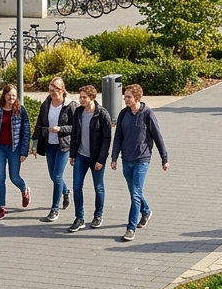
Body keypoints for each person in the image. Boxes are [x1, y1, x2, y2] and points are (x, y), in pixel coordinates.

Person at [110, 84, 168, 242]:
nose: (125, 99)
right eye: (125, 97)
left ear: (137, 97)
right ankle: (146, 211)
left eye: (128, 97)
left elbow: (157, 136)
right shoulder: (123, 114)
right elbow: (118, 137)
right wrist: (114, 157)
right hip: (126, 159)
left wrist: (165, 158)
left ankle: (130, 228)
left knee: (135, 193)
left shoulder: (147, 114)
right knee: (134, 192)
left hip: (142, 159)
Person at [0, 84, 31, 221]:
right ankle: (2, 208)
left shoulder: (21, 111)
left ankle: (24, 189)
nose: (11, 98)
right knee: (0, 177)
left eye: (14, 95)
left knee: (14, 177)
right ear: (4, 95)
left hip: (15, 149)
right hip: (0, 148)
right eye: (9, 95)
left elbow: (26, 132)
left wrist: (24, 151)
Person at [67, 85, 111, 232]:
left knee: (98, 187)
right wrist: (72, 154)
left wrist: (101, 159)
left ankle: (98, 215)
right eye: (80, 97)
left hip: (96, 157)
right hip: (81, 155)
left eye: (84, 97)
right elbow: (74, 134)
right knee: (77, 186)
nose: (81, 100)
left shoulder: (102, 114)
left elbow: (106, 139)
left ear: (92, 97)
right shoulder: (79, 112)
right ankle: (79, 218)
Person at [34, 77, 75, 222]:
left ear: (62, 90)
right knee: (53, 176)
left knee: (57, 176)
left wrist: (60, 129)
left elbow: (76, 127)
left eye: (55, 90)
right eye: (50, 90)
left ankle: (54, 209)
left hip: (64, 145)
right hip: (49, 144)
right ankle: (65, 191)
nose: (52, 93)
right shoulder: (46, 104)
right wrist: (34, 143)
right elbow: (39, 124)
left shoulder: (70, 106)